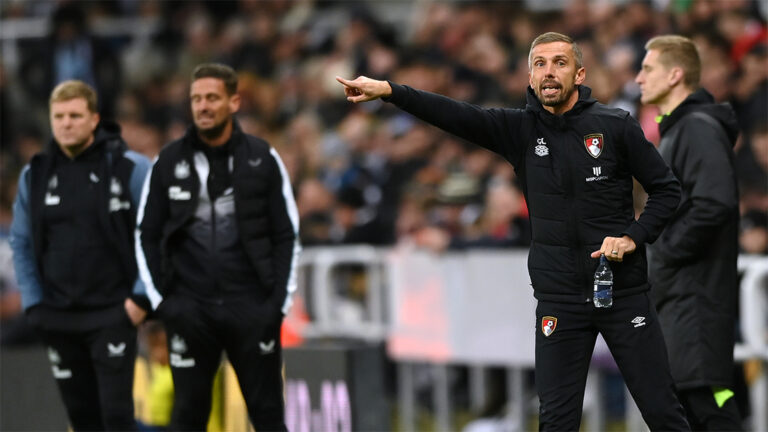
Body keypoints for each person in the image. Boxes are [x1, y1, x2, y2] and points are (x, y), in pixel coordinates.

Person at [337, 32, 690, 431]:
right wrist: (389, 91)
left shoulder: (615, 126)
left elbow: (667, 190)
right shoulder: (518, 130)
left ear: (579, 74)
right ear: (529, 76)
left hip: (622, 294)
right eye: (540, 64)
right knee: (555, 422)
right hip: (560, 301)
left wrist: (633, 237)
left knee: (662, 412)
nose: (549, 72)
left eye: (559, 62)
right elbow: (454, 113)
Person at [135, 63, 300, 431]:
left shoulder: (261, 158)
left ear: (234, 101)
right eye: (196, 99)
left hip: (251, 307)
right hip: (190, 310)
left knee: (268, 415)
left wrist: (276, 305)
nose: (203, 106)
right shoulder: (169, 160)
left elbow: (286, 233)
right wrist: (164, 302)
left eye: (212, 97)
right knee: (188, 416)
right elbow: (146, 232)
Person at [9, 80, 151, 431]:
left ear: (94, 120)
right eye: (59, 116)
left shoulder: (130, 168)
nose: (66, 123)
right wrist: (34, 303)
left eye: (75, 115)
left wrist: (140, 297)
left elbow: (155, 235)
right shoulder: (36, 174)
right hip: (58, 316)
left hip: (112, 313)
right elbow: (22, 242)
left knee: (116, 417)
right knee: (81, 419)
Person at [637, 35, 743, 431]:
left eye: (647, 69)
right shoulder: (682, 131)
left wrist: (664, 250)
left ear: (676, 74)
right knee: (695, 407)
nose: (638, 78)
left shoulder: (697, 128)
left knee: (709, 406)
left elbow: (715, 203)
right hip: (681, 299)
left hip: (695, 301)